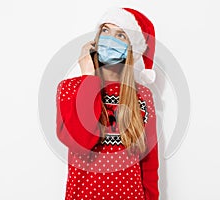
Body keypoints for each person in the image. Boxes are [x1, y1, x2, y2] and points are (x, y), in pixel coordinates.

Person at [56, 7, 159, 200]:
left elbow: (149, 163)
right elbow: (82, 142)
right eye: (105, 31)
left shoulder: (143, 97)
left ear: (131, 48)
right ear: (94, 41)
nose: (110, 39)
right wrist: (88, 78)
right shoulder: (69, 89)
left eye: (121, 34)